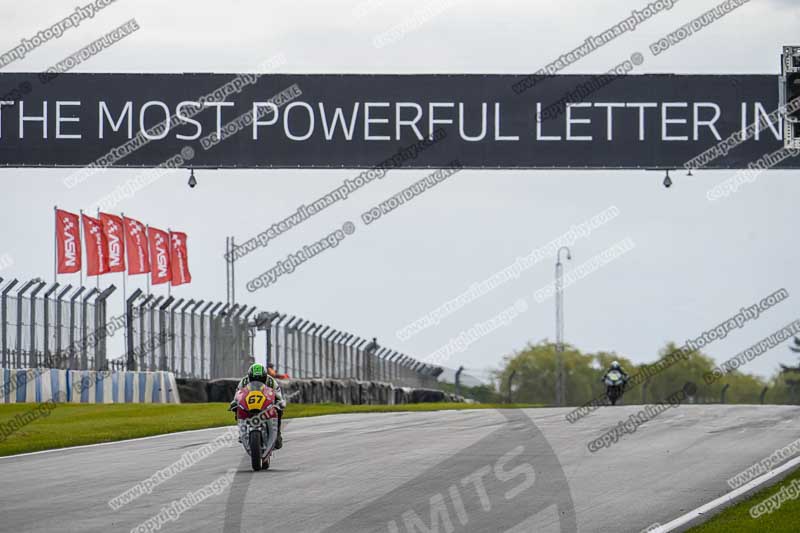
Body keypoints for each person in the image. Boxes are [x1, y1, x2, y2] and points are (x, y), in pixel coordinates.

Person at [229, 363, 286, 449]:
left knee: (278, 410)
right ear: (249, 377)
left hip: (265, 402)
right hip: (250, 403)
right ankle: (242, 431)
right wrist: (235, 402)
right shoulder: (244, 381)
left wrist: (279, 403)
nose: (257, 381)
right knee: (238, 408)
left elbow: (278, 396)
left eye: (260, 379)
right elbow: (238, 395)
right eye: (254, 379)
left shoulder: (271, 382)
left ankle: (277, 433)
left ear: (265, 377)